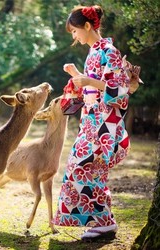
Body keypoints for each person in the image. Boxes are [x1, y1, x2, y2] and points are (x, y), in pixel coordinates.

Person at [53, 5, 131, 241]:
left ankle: (106, 223)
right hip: (91, 122)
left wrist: (87, 80)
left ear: (87, 26)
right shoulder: (94, 52)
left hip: (104, 124)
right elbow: (94, 85)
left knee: (86, 169)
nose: (74, 37)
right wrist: (77, 75)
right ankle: (103, 222)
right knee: (83, 169)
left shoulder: (109, 51)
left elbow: (120, 90)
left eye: (75, 31)